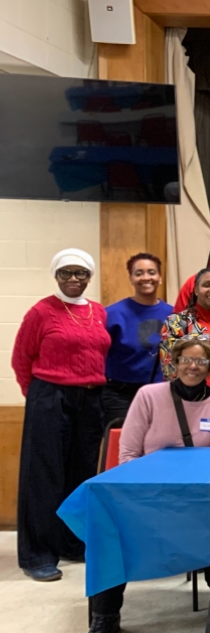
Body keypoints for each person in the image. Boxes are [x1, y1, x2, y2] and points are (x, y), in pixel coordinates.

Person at [83, 336, 210, 633]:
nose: (193, 366)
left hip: (198, 496)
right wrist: (145, 491)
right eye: (186, 360)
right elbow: (128, 454)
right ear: (174, 363)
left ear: (209, 367)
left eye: (201, 361)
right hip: (147, 492)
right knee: (109, 532)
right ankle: (105, 616)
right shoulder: (148, 395)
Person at [11, 248, 109, 582]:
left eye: (80, 273)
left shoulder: (98, 312)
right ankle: (37, 553)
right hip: (50, 396)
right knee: (44, 475)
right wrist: (39, 397)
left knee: (80, 475)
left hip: (91, 398)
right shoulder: (41, 312)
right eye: (66, 272)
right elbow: (21, 359)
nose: (73, 279)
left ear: (89, 277)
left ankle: (71, 542)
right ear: (56, 275)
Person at [102, 252, 174, 423]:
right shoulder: (112, 314)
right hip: (120, 394)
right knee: (121, 444)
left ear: (160, 277)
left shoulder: (173, 314)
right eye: (139, 273)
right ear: (131, 279)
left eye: (151, 272)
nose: (146, 277)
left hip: (160, 392)